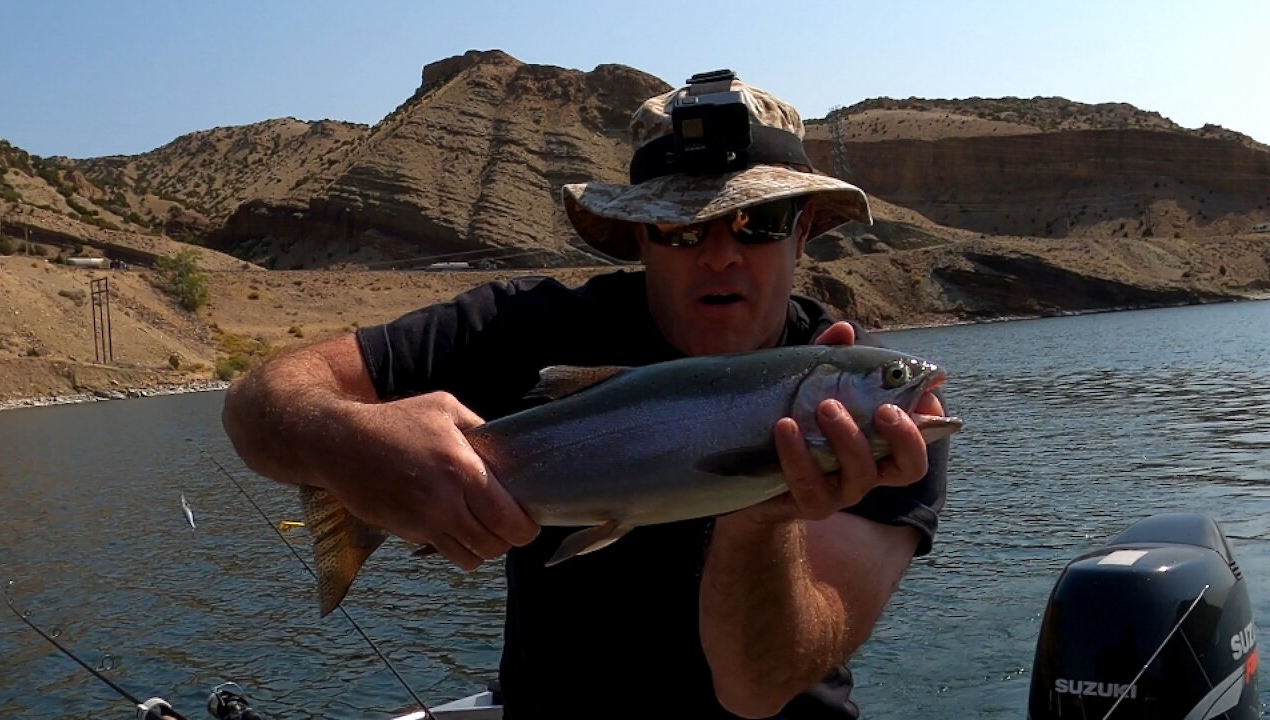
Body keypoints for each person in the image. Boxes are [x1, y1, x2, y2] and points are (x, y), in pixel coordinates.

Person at [222, 70, 949, 719]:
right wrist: (349, 443)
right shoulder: (526, 326)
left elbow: (758, 690)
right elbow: (257, 405)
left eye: (759, 222)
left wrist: (761, 519)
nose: (722, 253)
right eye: (681, 224)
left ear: (805, 234)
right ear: (639, 238)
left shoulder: (876, 408)